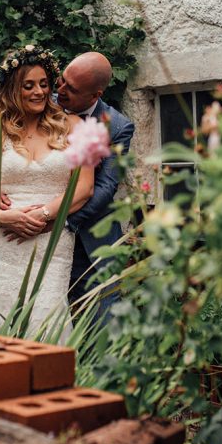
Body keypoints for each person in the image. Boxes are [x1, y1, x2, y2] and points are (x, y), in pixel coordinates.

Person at [0, 46, 95, 330]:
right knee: (3, 318)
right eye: (28, 86)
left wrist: (42, 215)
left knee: (48, 318)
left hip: (51, 241)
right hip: (5, 243)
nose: (39, 92)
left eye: (43, 84)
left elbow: (85, 187)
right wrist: (6, 217)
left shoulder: (75, 127)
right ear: (13, 90)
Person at [44, 52, 135, 305]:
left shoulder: (117, 127)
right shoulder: (42, 106)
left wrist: (62, 222)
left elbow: (106, 187)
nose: (59, 90)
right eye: (61, 80)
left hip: (94, 241)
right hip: (40, 238)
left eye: (71, 89)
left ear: (96, 95)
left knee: (102, 325)